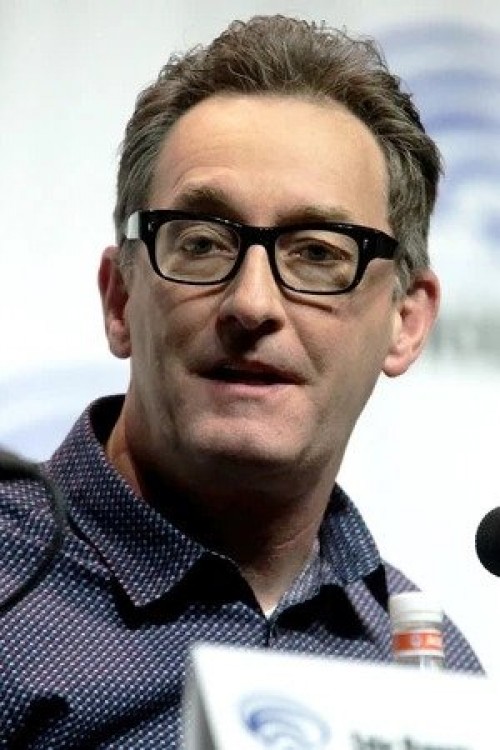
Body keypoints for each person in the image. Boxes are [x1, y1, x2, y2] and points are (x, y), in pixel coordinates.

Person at [0, 14, 482, 749]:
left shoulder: (430, 678)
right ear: (120, 299)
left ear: (405, 321)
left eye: (318, 252)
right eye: (201, 243)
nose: (252, 304)